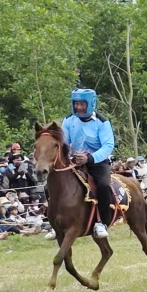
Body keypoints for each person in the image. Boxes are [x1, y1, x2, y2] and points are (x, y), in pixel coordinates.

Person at [62, 89, 115, 238]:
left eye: (82, 104)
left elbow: (108, 145)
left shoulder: (102, 122)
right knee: (51, 185)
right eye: (76, 104)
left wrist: (90, 158)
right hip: (74, 161)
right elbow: (64, 142)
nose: (78, 107)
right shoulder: (68, 120)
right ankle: (56, 222)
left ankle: (102, 222)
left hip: (97, 162)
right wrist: (69, 156)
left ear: (90, 104)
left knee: (104, 186)